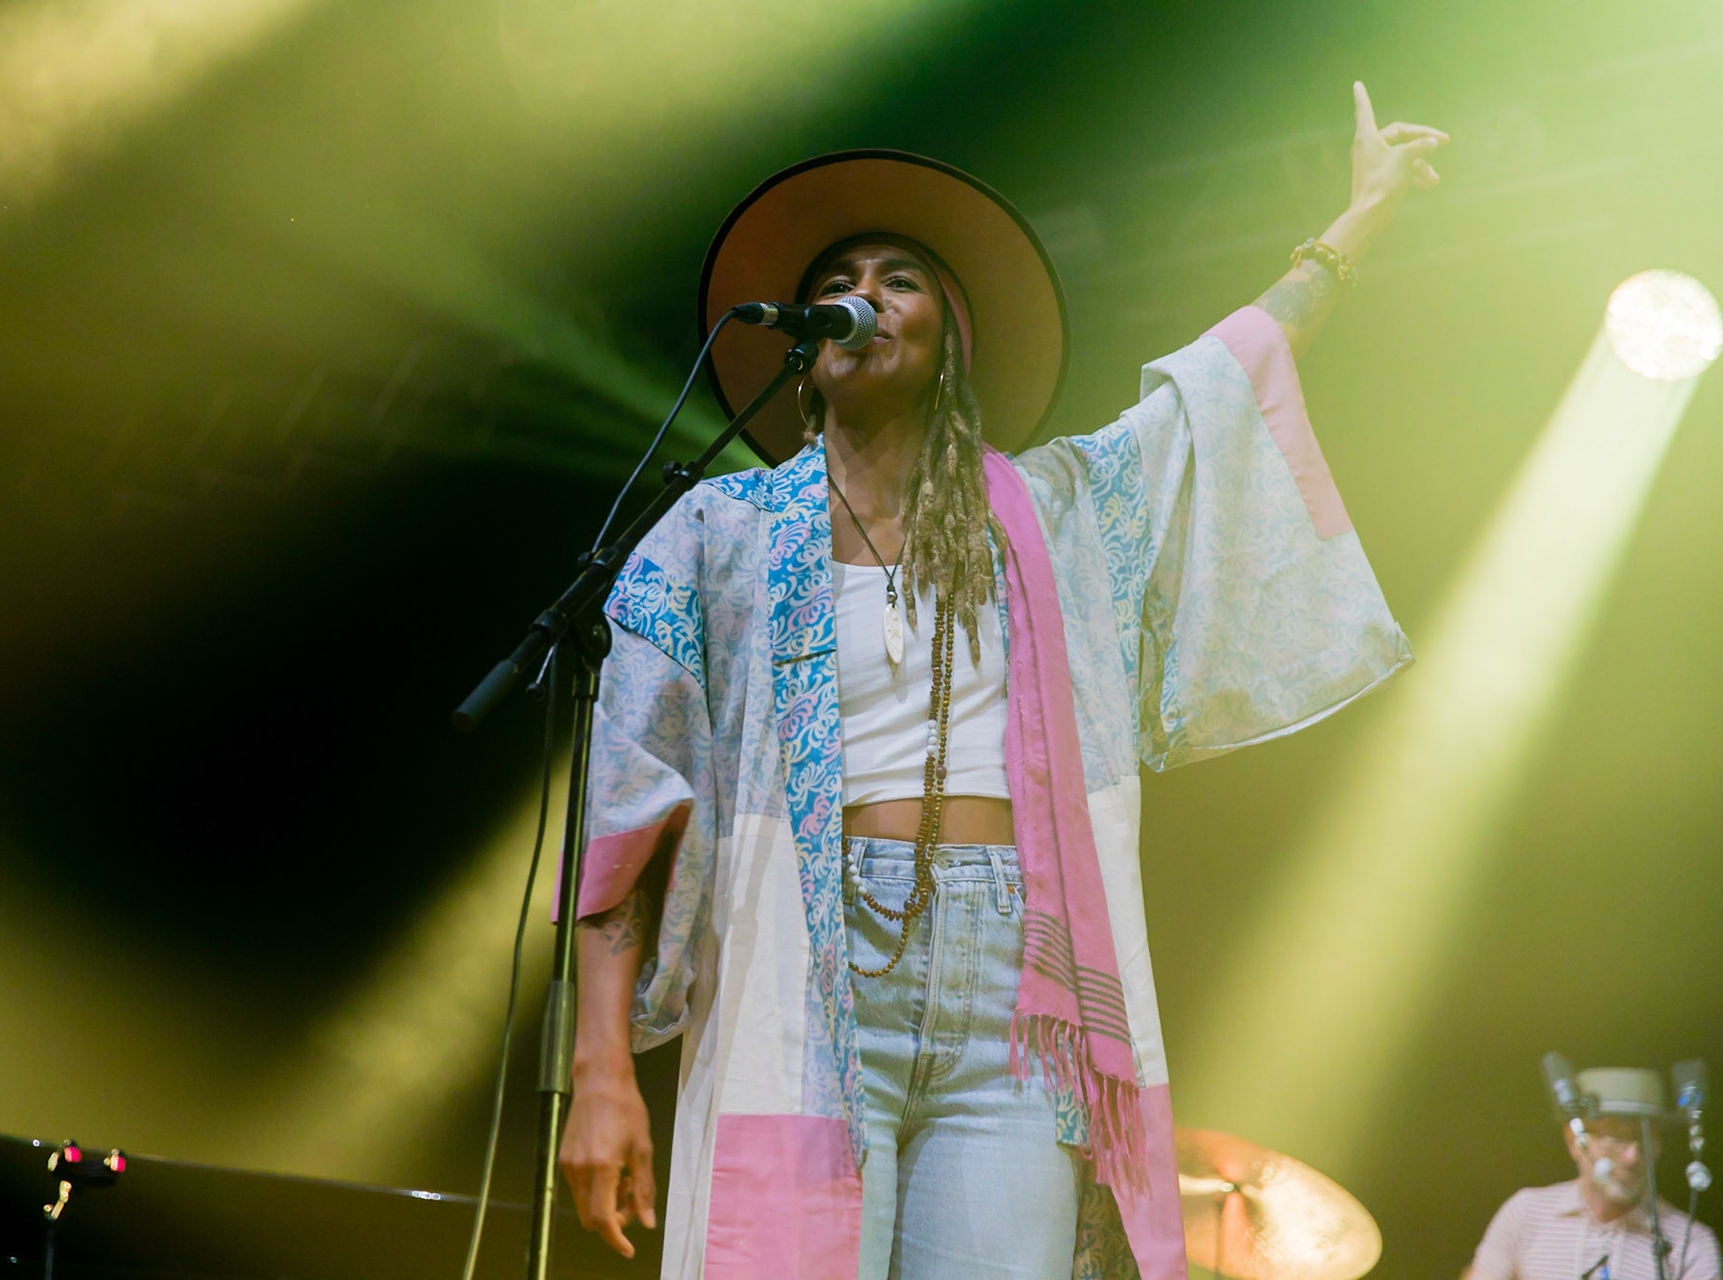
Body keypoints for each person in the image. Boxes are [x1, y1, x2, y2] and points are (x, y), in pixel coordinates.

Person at [559, 82, 1441, 1280]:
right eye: (840, 282)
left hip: (1018, 990)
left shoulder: (1055, 509)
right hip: (803, 973)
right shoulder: (722, 529)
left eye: (899, 279)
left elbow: (1214, 392)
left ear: (951, 341)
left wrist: (1355, 223)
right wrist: (602, 1069)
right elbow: (627, 812)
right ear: (804, 348)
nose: (866, 295)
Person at [1468, 1068, 1721, 1280]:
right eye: (1617, 1137)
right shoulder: (1525, 1213)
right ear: (1574, 1141)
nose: (1632, 1157)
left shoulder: (1691, 1243)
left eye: (1645, 1139)